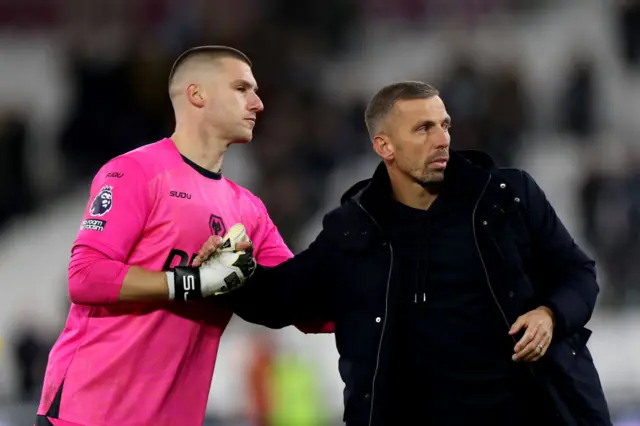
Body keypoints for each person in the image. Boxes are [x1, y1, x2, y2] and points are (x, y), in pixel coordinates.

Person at [210, 81, 612, 425]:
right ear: (384, 146)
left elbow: (578, 273)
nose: (442, 140)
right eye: (423, 129)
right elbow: (285, 298)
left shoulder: (508, 198)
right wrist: (226, 270)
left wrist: (550, 315)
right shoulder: (354, 229)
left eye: (444, 125)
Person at [36, 45, 294, 426]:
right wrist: (195, 281)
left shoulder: (249, 211)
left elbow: (303, 296)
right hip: (89, 414)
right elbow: (85, 277)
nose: (257, 103)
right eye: (242, 89)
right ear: (197, 94)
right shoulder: (134, 173)